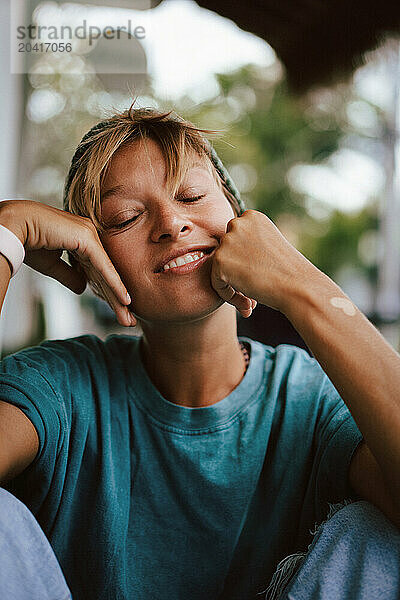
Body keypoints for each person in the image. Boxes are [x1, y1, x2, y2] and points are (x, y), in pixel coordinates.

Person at [0, 105, 399, 600]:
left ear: (240, 218)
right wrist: (6, 235)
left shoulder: (311, 402)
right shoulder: (59, 387)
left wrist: (303, 288)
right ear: (94, 264)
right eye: (125, 218)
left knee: (376, 533)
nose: (171, 223)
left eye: (191, 195)